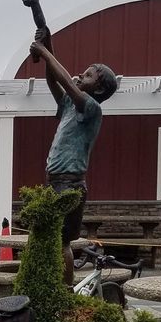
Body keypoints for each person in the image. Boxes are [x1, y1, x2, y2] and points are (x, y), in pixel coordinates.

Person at [29, 29, 118, 285]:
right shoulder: (70, 105)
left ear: (99, 88)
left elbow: (66, 81)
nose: (80, 75)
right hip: (54, 181)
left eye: (88, 75)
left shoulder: (91, 108)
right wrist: (48, 44)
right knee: (49, 238)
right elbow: (54, 81)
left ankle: (65, 293)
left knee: (62, 242)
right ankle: (50, 286)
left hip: (70, 184)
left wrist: (44, 52)